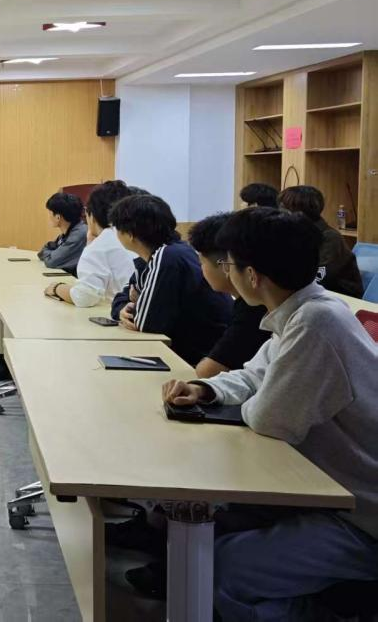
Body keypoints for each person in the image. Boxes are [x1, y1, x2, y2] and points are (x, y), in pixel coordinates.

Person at [162, 207, 378, 621]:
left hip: (363, 519)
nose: (226, 273)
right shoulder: (302, 311)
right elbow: (254, 374)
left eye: (229, 265)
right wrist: (206, 389)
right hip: (334, 495)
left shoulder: (315, 323)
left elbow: (270, 419)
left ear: (252, 275)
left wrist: (256, 397)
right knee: (209, 536)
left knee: (216, 568)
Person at [109, 194, 232, 366]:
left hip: (199, 359)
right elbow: (122, 297)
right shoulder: (155, 257)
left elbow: (147, 324)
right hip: (191, 352)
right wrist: (123, 309)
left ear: (130, 234)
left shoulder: (168, 256)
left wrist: (136, 307)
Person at [186, 213, 272, 378]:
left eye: (202, 263)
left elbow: (209, 371)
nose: (201, 269)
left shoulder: (255, 307)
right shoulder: (246, 301)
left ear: (226, 265)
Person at [45, 181, 137, 306]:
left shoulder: (100, 246)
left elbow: (84, 297)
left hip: (120, 311)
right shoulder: (133, 236)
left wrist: (57, 288)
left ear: (91, 215)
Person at [278, 185, 364, 297]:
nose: (280, 214)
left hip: (339, 298)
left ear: (300, 212)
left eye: (285, 209)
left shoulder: (330, 238)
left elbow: (320, 278)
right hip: (310, 296)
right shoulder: (295, 234)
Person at [37, 192, 87, 274]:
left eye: (50, 213)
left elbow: (51, 261)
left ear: (58, 217)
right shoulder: (69, 232)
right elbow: (42, 252)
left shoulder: (79, 234)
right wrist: (50, 253)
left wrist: (50, 253)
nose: (49, 217)